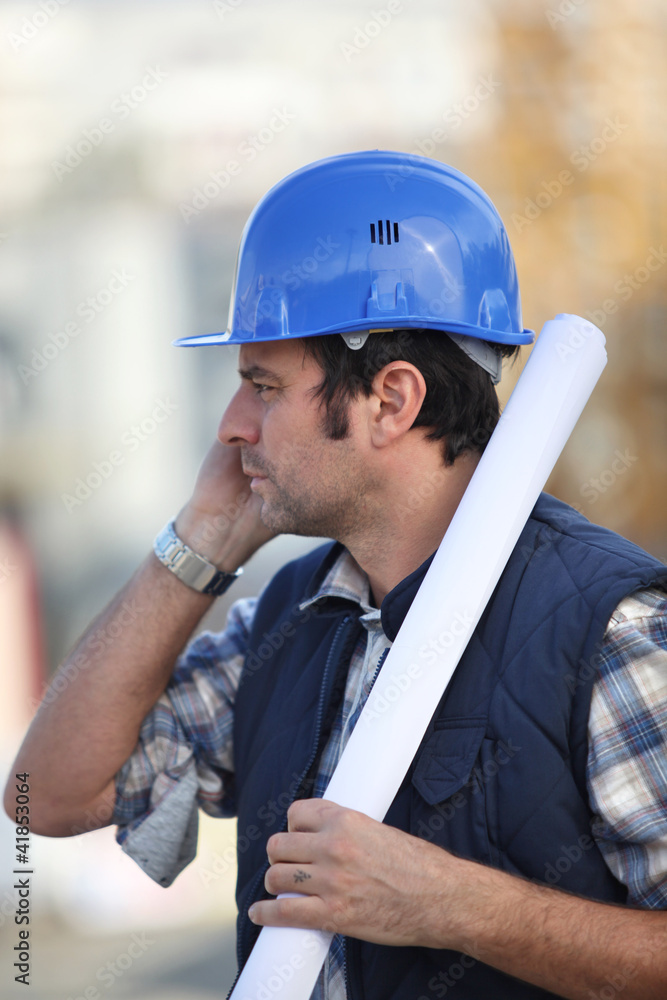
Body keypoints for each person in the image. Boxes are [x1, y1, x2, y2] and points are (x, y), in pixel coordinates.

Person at [5, 151, 667, 1000]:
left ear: (390, 401)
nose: (231, 425)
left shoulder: (608, 629)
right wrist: (201, 536)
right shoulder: (291, 620)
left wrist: (453, 906)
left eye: (262, 387)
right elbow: (46, 797)